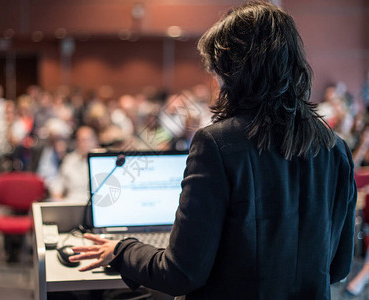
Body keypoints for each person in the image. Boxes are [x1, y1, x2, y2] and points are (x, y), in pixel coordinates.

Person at [68, 2, 357, 299]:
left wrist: (121, 249)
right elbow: (337, 268)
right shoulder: (336, 148)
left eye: (218, 70)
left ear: (234, 73)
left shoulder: (216, 144)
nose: (217, 81)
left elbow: (180, 273)